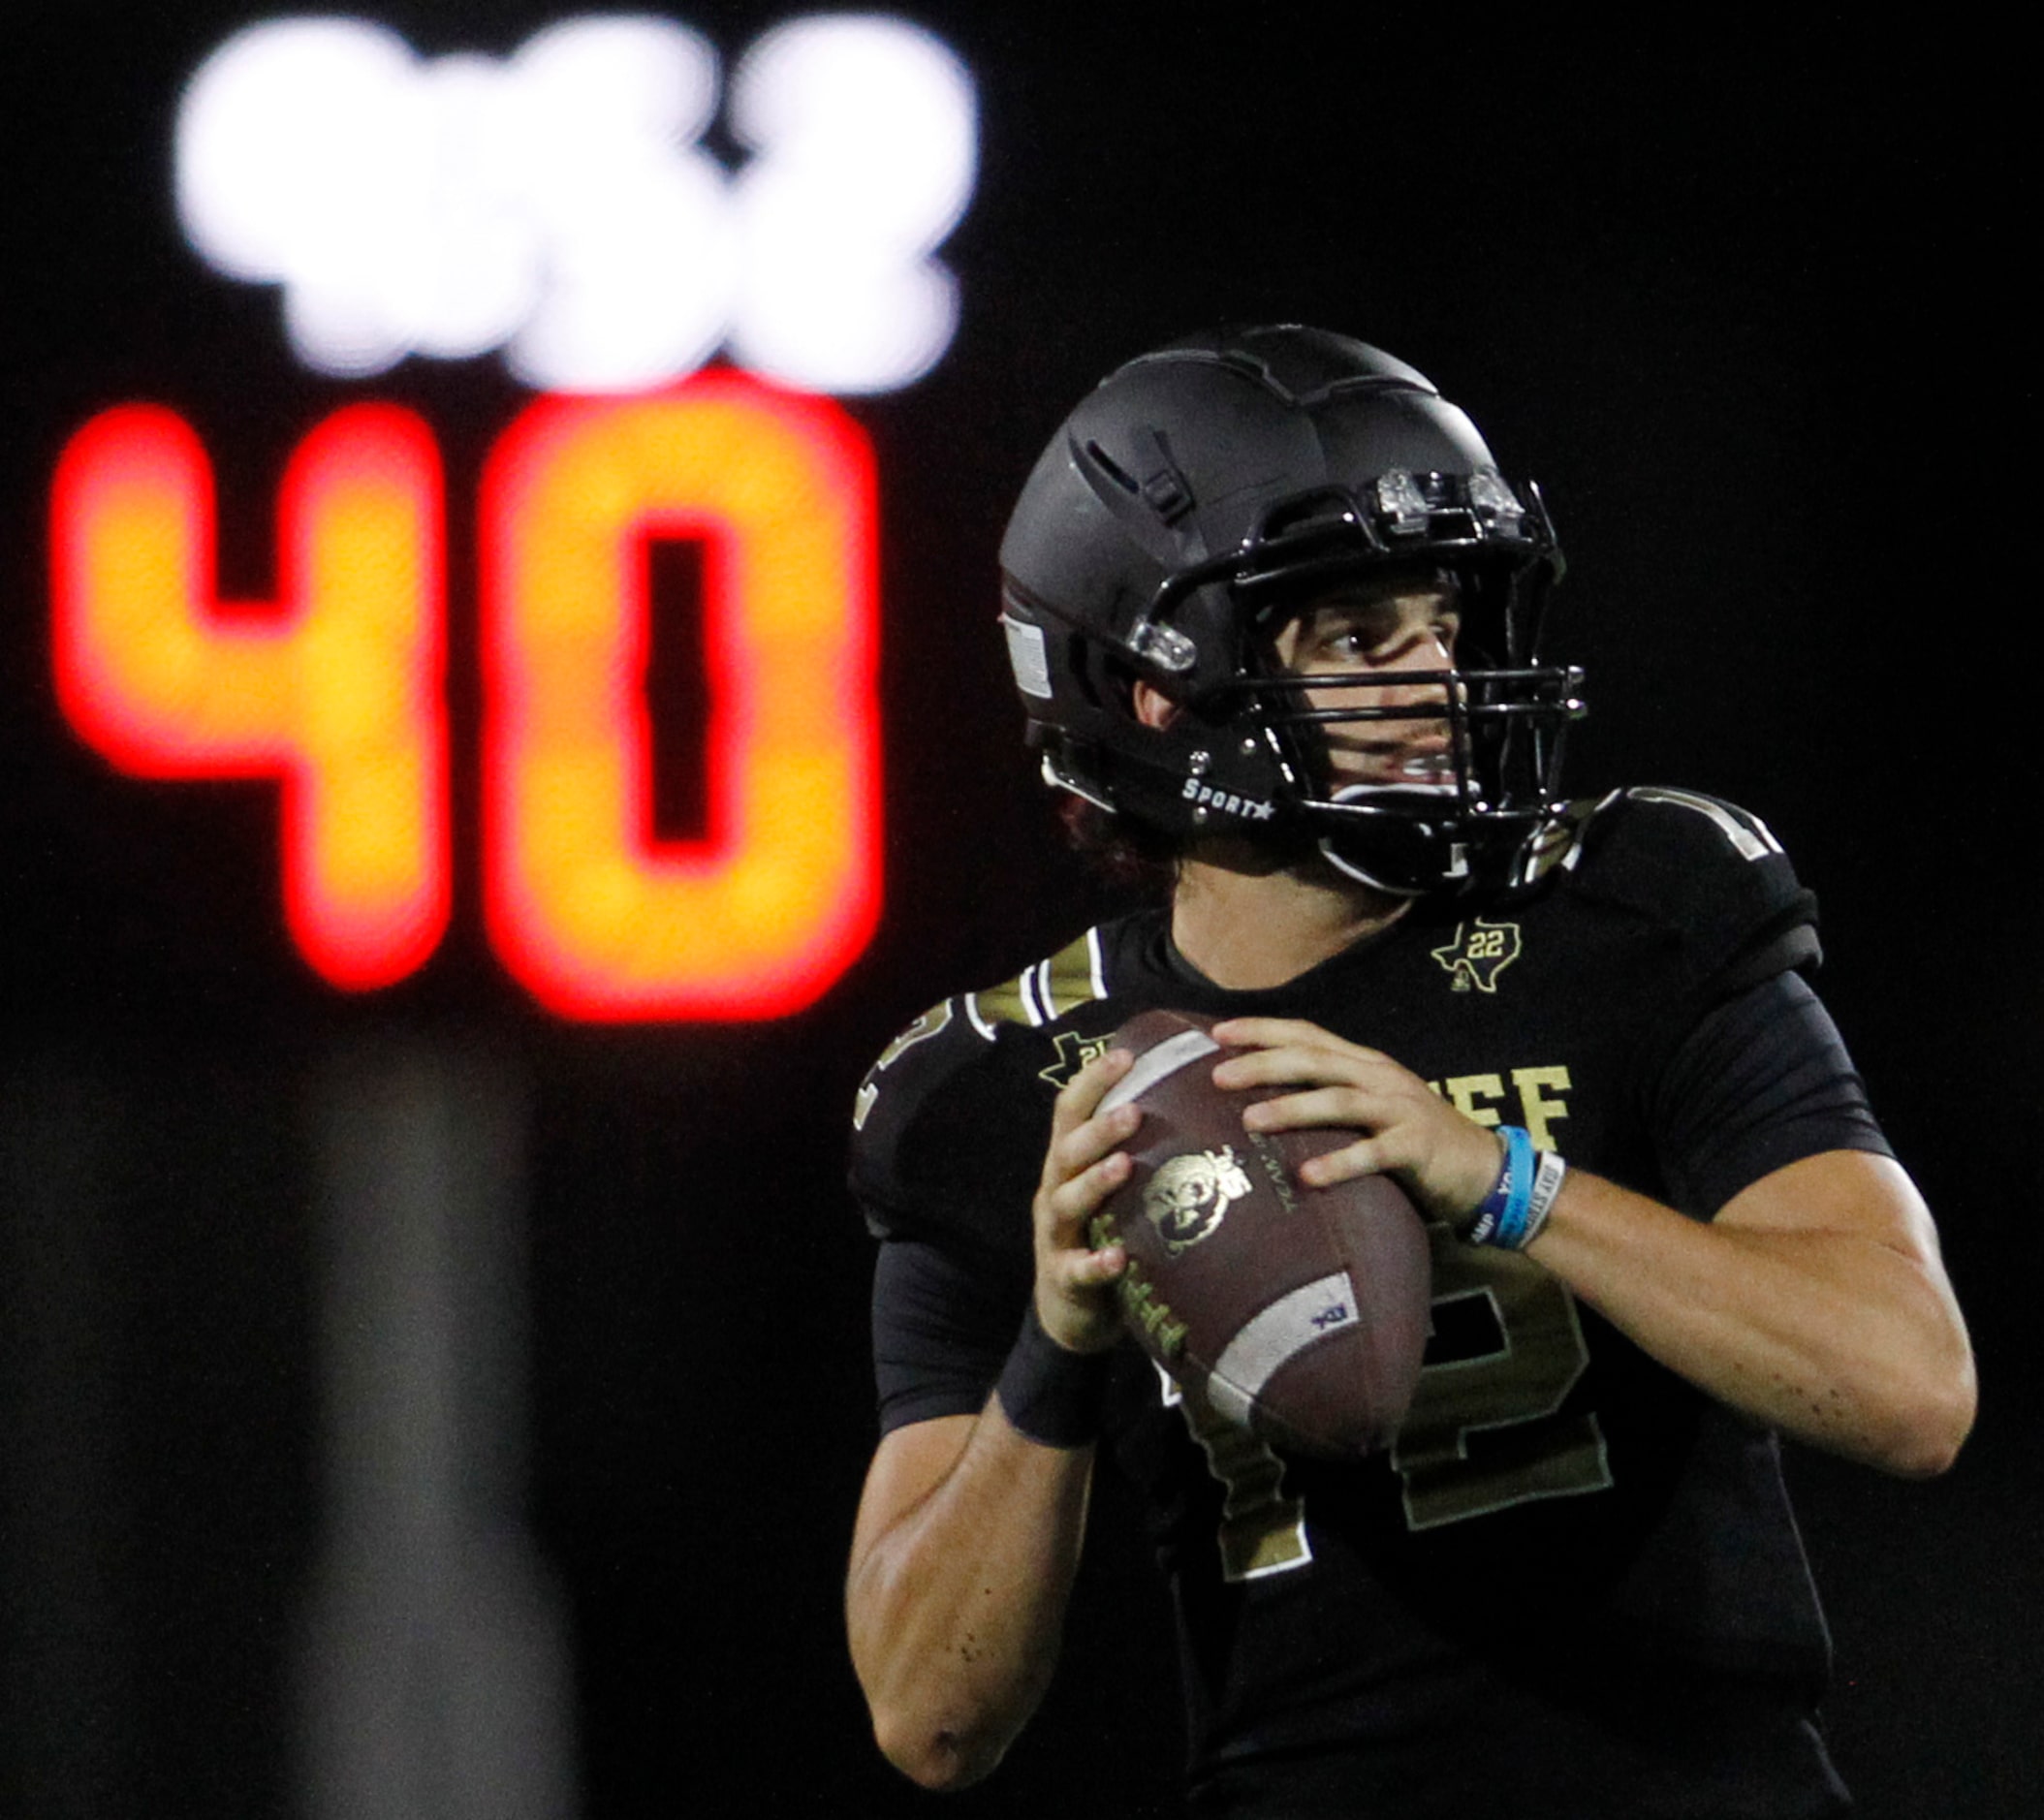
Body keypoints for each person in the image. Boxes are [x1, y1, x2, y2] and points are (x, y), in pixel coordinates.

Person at [843, 325, 1974, 1817]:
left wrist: (1502, 1179)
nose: (1438, 679)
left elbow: (1909, 1387)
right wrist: (1055, 1339)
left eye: (1441, 624)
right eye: (1359, 639)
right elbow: (931, 1718)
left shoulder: (1628, 912)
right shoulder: (1007, 1087)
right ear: (1162, 696)